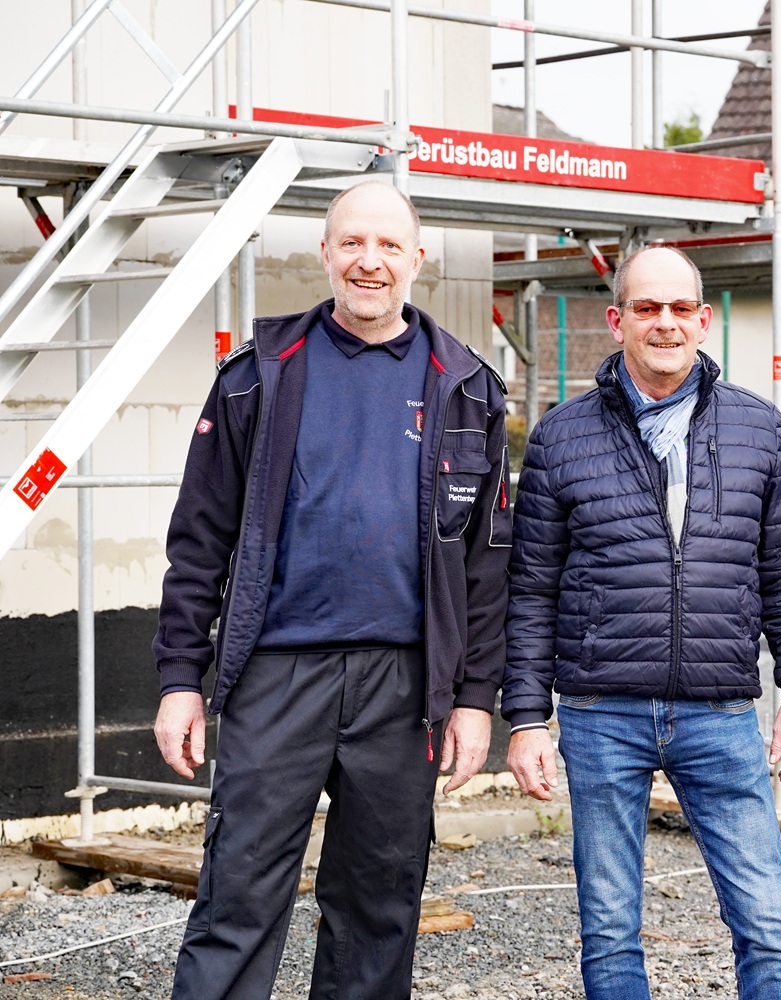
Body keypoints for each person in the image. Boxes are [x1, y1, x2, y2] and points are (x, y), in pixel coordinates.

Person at [151, 180, 511, 1000]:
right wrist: (180, 681)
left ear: (417, 259)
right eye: (352, 243)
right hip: (277, 676)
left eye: (388, 246)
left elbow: (488, 564)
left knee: (379, 906)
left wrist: (475, 698)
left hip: (405, 686)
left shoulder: (470, 388)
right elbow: (198, 540)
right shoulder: (257, 377)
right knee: (237, 897)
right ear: (325, 254)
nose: (370, 262)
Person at [502, 245, 781, 1000]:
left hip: (719, 712)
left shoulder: (761, 429)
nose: (665, 323)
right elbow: (531, 590)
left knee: (766, 924)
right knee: (610, 930)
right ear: (617, 321)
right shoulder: (560, 436)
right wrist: (525, 718)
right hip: (598, 712)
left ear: (704, 321)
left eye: (681, 308)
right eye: (646, 308)